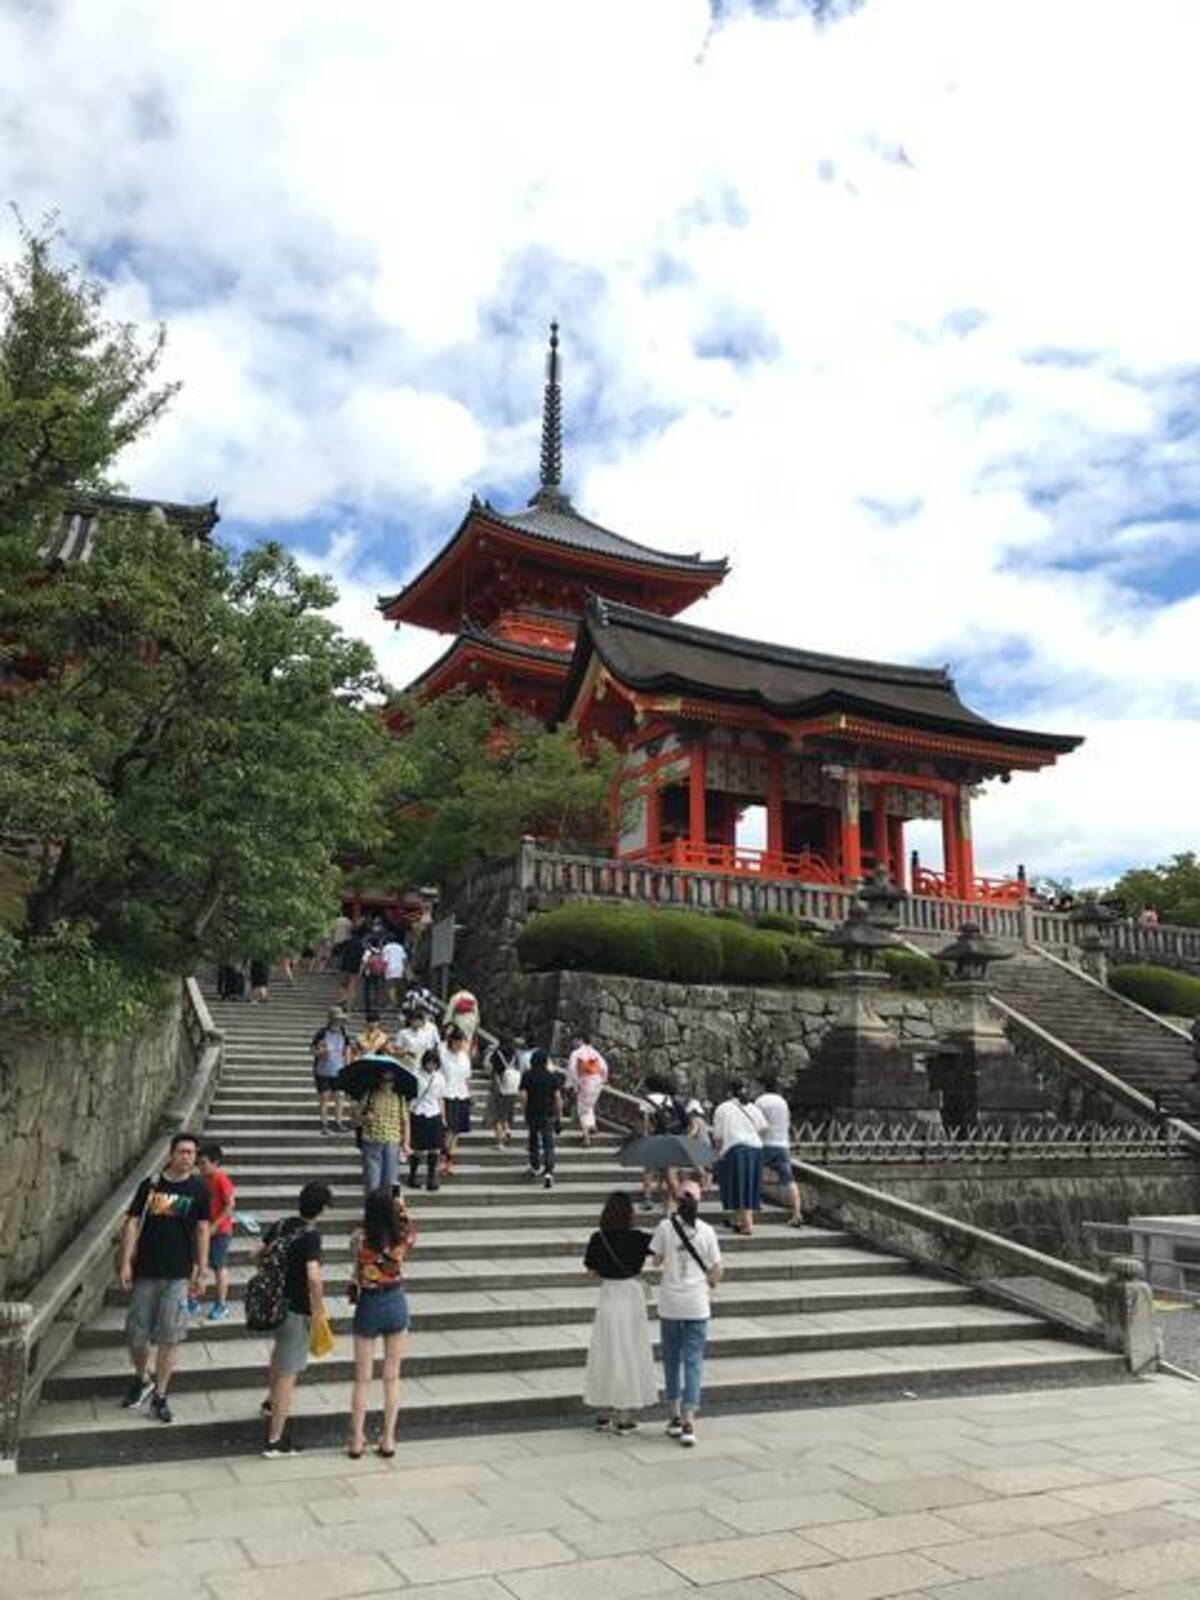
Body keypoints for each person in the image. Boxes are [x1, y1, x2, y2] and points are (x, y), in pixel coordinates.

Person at [118, 1132, 210, 1424]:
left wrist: (202, 1269)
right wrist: (125, 1262)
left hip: (178, 1275)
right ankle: (142, 1377)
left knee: (170, 1337)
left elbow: (203, 1229)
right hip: (146, 1270)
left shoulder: (199, 1189)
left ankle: (160, 1395)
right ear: (171, 1154)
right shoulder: (152, 1185)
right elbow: (132, 1223)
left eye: (192, 1153)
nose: (187, 1157)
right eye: (182, 1151)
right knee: (136, 1334)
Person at [261, 1180, 332, 1458]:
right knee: (289, 1372)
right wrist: (318, 1307)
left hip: (274, 1304)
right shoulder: (311, 1236)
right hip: (296, 1308)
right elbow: (313, 1276)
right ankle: (275, 1440)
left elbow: (259, 1252)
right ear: (323, 1208)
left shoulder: (282, 1224)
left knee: (279, 1354)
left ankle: (270, 1401)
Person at [650, 1179, 721, 1448]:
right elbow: (716, 1269)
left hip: (670, 1303)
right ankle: (689, 1420)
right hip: (696, 1304)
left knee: (671, 1358)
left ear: (677, 1201)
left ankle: (674, 1415)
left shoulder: (665, 1227)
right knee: (693, 1361)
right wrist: (712, 1282)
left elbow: (655, 1260)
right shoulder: (707, 1231)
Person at [347, 1190, 416, 1459]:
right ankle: (388, 1439)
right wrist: (401, 1207)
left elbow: (355, 1263)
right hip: (396, 1301)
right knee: (392, 1377)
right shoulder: (402, 1237)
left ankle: (356, 1440)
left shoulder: (359, 1238)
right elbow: (410, 1226)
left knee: (362, 1378)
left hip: (369, 1304)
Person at [582, 1191, 657, 1434]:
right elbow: (662, 1251)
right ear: (629, 1214)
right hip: (631, 1296)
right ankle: (624, 1416)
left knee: (605, 1352)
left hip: (608, 1296)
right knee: (628, 1352)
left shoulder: (598, 1238)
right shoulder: (639, 1238)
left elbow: (591, 1271)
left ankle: (603, 1413)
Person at [713, 1080, 767, 1236]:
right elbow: (764, 1127)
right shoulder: (752, 1107)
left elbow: (718, 1137)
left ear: (729, 1092)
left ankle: (747, 1224)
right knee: (748, 1186)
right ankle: (740, 1221)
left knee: (738, 1186)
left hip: (735, 1150)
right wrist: (750, 1134)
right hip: (755, 1150)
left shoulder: (722, 1108)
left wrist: (716, 1154)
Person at [755, 1073, 802, 1228]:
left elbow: (757, 1123)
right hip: (782, 1145)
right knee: (789, 1180)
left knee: (755, 1174)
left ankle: (755, 1204)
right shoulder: (783, 1102)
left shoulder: (760, 1101)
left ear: (762, 1086)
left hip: (765, 1144)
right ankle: (796, 1213)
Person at [195, 1142, 236, 1321]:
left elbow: (231, 1205)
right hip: (206, 1230)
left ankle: (221, 1305)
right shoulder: (204, 1180)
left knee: (220, 1266)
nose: (200, 1167)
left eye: (203, 1163)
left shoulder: (221, 1178)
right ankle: (192, 1298)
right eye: (199, 1163)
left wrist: (215, 1225)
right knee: (197, 1262)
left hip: (221, 1231)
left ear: (215, 1162)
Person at [357, 1075, 409, 1197]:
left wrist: (406, 1142)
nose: (386, 1083)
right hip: (371, 1140)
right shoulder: (369, 1095)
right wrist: (365, 1118)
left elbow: (405, 1121)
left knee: (390, 1181)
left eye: (390, 1080)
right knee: (372, 1182)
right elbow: (355, 1117)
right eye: (383, 1080)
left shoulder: (400, 1097)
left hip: (392, 1141)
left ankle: (387, 1211)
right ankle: (373, 1212)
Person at [521, 1047, 562, 1191]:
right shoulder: (552, 1077)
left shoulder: (527, 1075)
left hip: (533, 1113)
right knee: (548, 1143)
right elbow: (558, 1098)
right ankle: (549, 1172)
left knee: (533, 1140)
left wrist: (524, 1110)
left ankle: (535, 1165)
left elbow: (524, 1096)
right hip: (548, 1114)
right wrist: (559, 1116)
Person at [407, 1047, 447, 1192]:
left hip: (434, 1113)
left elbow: (440, 1098)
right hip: (418, 1112)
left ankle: (431, 1178)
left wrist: (443, 1118)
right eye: (429, 1062)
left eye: (435, 1063)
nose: (432, 1065)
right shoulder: (415, 1074)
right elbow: (409, 1095)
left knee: (435, 1148)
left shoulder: (439, 1077)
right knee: (418, 1148)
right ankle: (412, 1176)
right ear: (424, 1062)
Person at [311, 1006, 354, 1135]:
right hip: (323, 1070)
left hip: (339, 1069)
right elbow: (312, 1049)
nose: (338, 1022)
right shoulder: (322, 1033)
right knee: (325, 1097)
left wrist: (348, 1065)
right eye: (336, 1019)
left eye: (340, 1020)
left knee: (340, 1096)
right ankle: (324, 1124)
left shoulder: (344, 1033)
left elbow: (347, 1050)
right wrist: (320, 1052)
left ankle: (338, 1122)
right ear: (330, 1019)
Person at [438, 1025, 472, 1175]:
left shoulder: (464, 1056)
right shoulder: (442, 1054)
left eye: (461, 1042)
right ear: (450, 1041)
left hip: (462, 1095)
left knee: (457, 1131)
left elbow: (466, 1078)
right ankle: (443, 1159)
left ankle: (449, 1161)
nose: (459, 1045)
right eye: (456, 1042)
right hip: (447, 1095)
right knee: (449, 1130)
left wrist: (469, 1094)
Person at [566, 1034, 609, 1148]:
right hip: (596, 1082)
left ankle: (586, 1137)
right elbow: (604, 1068)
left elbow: (571, 1070)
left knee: (582, 1110)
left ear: (581, 1040)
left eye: (577, 1040)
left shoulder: (576, 1053)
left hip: (584, 1082)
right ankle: (593, 1126)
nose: (575, 1042)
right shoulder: (596, 1053)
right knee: (589, 1105)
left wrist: (572, 1084)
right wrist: (603, 1080)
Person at [484, 1035, 522, 1147]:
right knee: (506, 1111)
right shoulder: (515, 1054)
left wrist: (498, 1085)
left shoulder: (497, 1054)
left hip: (499, 1086)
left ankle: (499, 1141)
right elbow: (519, 1068)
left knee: (496, 1115)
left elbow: (492, 1071)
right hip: (512, 1087)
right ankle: (508, 1129)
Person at [361, 938, 389, 1016]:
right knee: (377, 989)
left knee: (368, 990)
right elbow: (385, 962)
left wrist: (360, 972)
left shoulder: (368, 951)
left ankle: (369, 1006)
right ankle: (376, 1006)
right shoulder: (381, 952)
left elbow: (364, 962)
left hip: (369, 973)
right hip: (379, 973)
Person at [337, 926, 365, 1006]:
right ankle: (350, 1004)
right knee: (352, 986)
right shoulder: (361, 944)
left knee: (342, 984)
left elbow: (337, 949)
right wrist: (361, 969)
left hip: (345, 965)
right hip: (355, 966)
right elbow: (363, 957)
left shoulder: (346, 942)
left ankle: (343, 997)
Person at [383, 933, 408, 1008]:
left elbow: (385, 960)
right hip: (399, 967)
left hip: (390, 968)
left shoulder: (386, 947)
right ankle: (403, 1001)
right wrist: (405, 969)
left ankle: (394, 1003)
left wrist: (383, 970)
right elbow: (404, 959)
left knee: (391, 986)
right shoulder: (400, 947)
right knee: (400, 986)